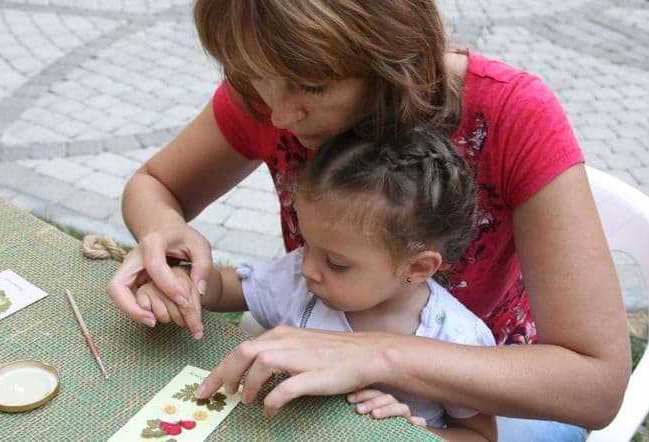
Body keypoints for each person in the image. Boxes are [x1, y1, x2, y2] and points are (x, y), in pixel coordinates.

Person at [106, 0, 631, 440]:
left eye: (311, 88)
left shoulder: (515, 112)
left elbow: (596, 384)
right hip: (324, 347)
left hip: (493, 393)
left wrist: (377, 353)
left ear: (393, 62)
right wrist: (162, 231)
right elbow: (155, 185)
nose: (281, 116)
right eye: (262, 79)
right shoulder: (273, 82)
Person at [132, 129, 498, 440]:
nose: (307, 268)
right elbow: (225, 289)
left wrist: (409, 431)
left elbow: (480, 436)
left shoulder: (458, 341)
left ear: (418, 268)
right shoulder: (299, 282)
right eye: (306, 243)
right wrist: (182, 284)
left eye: (336, 263)